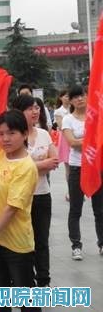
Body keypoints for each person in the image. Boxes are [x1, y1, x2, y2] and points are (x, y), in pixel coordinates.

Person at [0, 110, 40, 312]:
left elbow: (11, 208)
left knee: (27, 301)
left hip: (15, 245)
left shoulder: (26, 167)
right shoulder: (1, 154)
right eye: (1, 133)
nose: (5, 138)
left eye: (11, 133)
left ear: (24, 134)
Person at [13, 95, 58, 287]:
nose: (35, 111)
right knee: (22, 241)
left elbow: (54, 161)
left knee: (41, 240)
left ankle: (43, 281)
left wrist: (32, 166)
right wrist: (41, 164)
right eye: (30, 108)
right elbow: (15, 167)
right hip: (20, 197)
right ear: (19, 112)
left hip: (42, 194)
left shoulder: (44, 134)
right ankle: (25, 281)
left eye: (37, 108)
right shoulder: (14, 136)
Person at [62, 85, 103, 260]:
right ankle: (76, 246)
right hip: (77, 168)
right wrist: (93, 139)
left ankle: (101, 243)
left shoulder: (95, 116)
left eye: (82, 95)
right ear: (70, 101)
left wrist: (84, 141)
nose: (79, 99)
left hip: (96, 167)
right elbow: (72, 143)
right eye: (75, 97)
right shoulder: (68, 119)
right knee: (75, 209)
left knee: (99, 209)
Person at [54, 90, 71, 201]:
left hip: (76, 137)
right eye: (65, 96)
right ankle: (70, 191)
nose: (67, 98)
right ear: (61, 98)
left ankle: (78, 190)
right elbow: (61, 126)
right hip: (65, 139)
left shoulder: (74, 108)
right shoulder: (58, 111)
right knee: (68, 167)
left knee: (78, 167)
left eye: (69, 96)